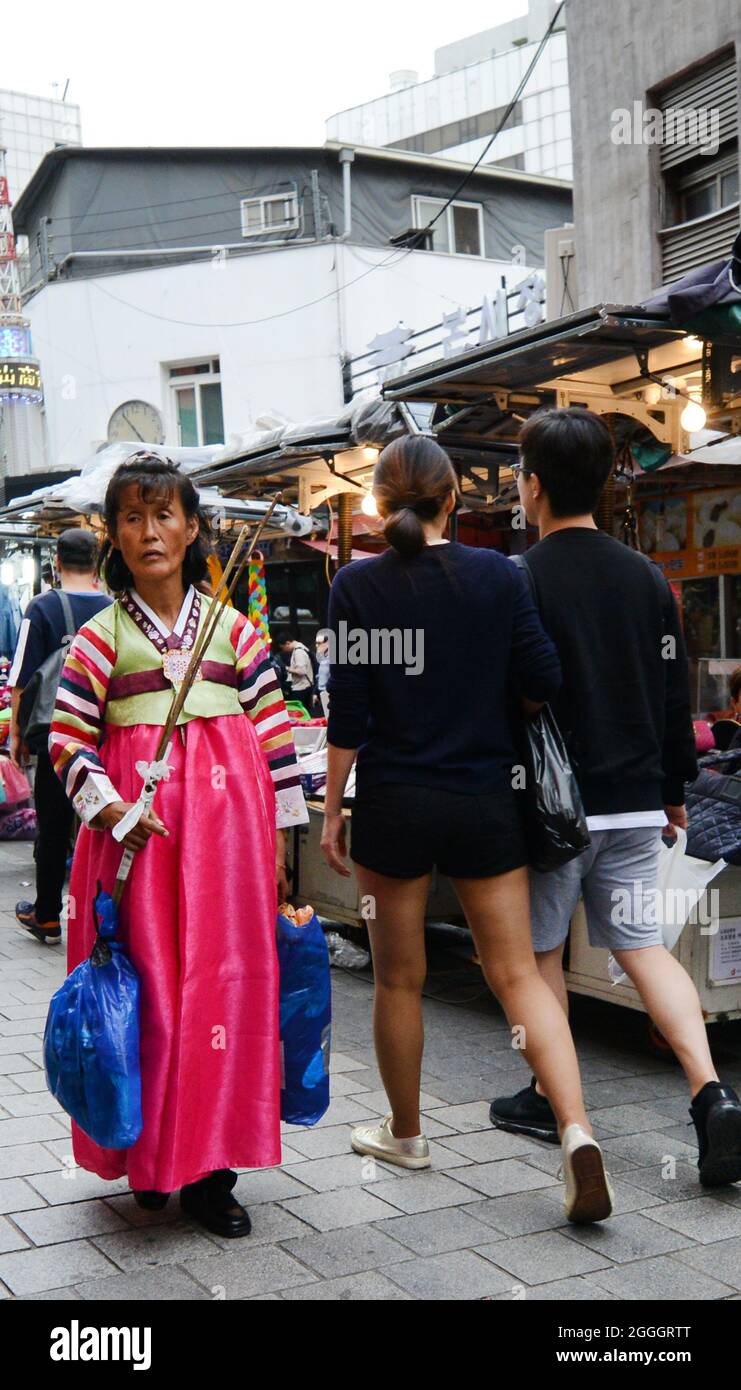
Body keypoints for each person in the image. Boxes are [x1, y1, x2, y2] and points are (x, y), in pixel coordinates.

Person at [320, 434, 615, 1224]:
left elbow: (345, 711)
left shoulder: (355, 585)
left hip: (394, 805)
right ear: (455, 497)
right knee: (517, 974)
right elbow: (542, 679)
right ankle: (577, 1131)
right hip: (489, 800)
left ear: (380, 506)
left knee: (398, 979)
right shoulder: (499, 574)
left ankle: (406, 1134)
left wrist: (329, 812)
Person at [49, 452, 308, 1237]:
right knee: (152, 1000)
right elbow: (65, 742)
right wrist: (115, 812)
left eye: (165, 515)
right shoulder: (99, 641)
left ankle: (212, 1170)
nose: (150, 531)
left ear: (193, 528)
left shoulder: (235, 634)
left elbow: (276, 748)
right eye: (132, 517)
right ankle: (152, 1156)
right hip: (136, 852)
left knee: (223, 994)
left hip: (227, 857)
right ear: (114, 536)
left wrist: (285, 862)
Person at [490, 407, 741, 1188]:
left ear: (532, 486)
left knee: (537, 961)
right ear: (603, 483)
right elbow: (673, 695)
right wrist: (671, 792)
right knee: (640, 949)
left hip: (549, 809)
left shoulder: (518, 578)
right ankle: (711, 1093)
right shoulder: (645, 578)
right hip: (636, 801)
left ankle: (558, 1107)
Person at [10, 528, 111, 945]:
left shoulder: (42, 608)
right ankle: (104, 916)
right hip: (104, 734)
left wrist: (16, 733)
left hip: (56, 737)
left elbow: (22, 678)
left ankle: (48, 914)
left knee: (52, 825)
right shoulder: (112, 608)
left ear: (56, 562)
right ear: (96, 564)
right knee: (102, 823)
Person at [278, 632, 314, 709]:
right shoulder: (301, 648)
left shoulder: (298, 652)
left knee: (299, 713)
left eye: (282, 647)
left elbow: (301, 671)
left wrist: (286, 668)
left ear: (287, 643)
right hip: (305, 686)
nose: (284, 650)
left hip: (301, 688)